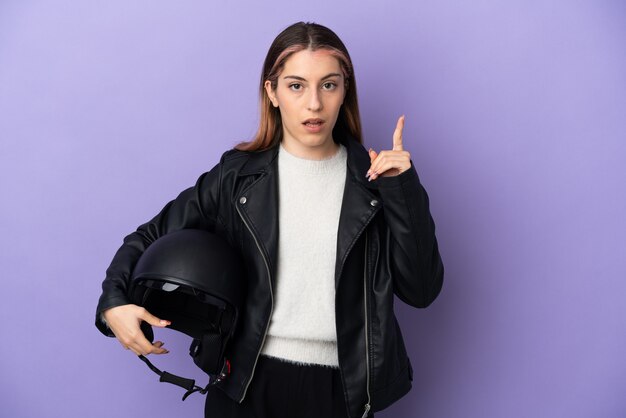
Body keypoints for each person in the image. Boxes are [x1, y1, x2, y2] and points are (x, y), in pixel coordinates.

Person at [95, 21, 444, 418]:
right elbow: (150, 235)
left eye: (328, 85)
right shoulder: (238, 177)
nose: (314, 103)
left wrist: (402, 190)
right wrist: (114, 303)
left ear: (345, 91)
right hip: (244, 384)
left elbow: (422, 290)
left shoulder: (377, 183)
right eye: (296, 85)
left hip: (340, 392)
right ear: (272, 92)